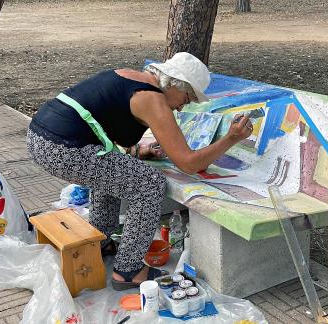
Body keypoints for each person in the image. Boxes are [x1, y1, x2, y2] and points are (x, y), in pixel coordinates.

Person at [26, 52, 253, 290]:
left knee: (116, 169)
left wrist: (136, 152)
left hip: (41, 135)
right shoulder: (152, 99)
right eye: (187, 98)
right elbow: (188, 163)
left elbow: (102, 122)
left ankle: (100, 240)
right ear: (175, 84)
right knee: (149, 183)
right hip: (61, 146)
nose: (181, 107)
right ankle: (129, 271)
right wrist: (231, 138)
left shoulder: (130, 77)